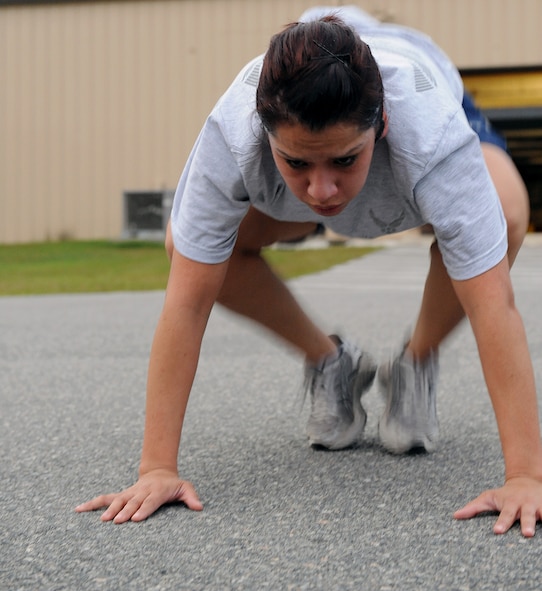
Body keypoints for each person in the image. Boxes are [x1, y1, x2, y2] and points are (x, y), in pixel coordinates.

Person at [76, 6, 542, 536]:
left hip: (429, 102)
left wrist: (526, 475)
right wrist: (156, 468)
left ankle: (414, 365)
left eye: (344, 160)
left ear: (381, 126)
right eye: (297, 163)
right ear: (263, 132)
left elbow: (493, 306)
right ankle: (331, 363)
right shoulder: (231, 133)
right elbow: (186, 303)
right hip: (291, 166)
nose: (322, 190)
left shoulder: (431, 135)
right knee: (185, 245)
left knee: (502, 220)